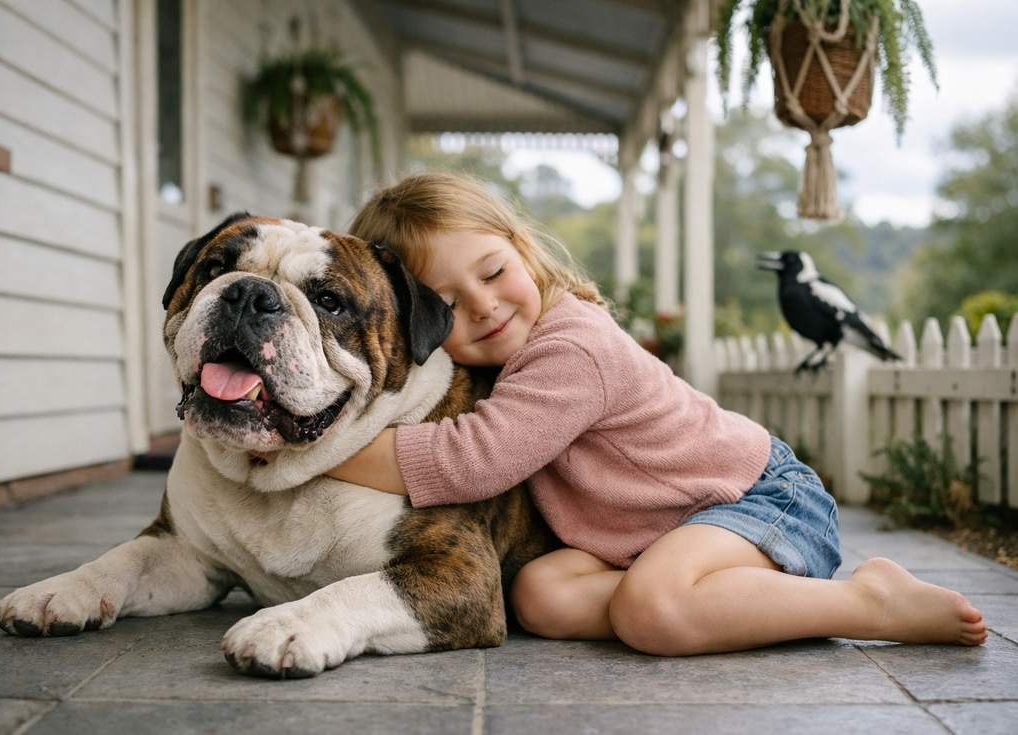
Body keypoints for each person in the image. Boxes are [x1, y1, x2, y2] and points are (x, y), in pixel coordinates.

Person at [328, 171, 988, 656]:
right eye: (446, 302)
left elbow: (473, 459)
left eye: (494, 271)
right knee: (540, 594)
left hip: (756, 501)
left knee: (653, 611)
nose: (483, 305)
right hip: (660, 535)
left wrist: (318, 448)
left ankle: (867, 601)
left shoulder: (572, 347)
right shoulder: (498, 357)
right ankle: (713, 603)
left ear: (522, 247)